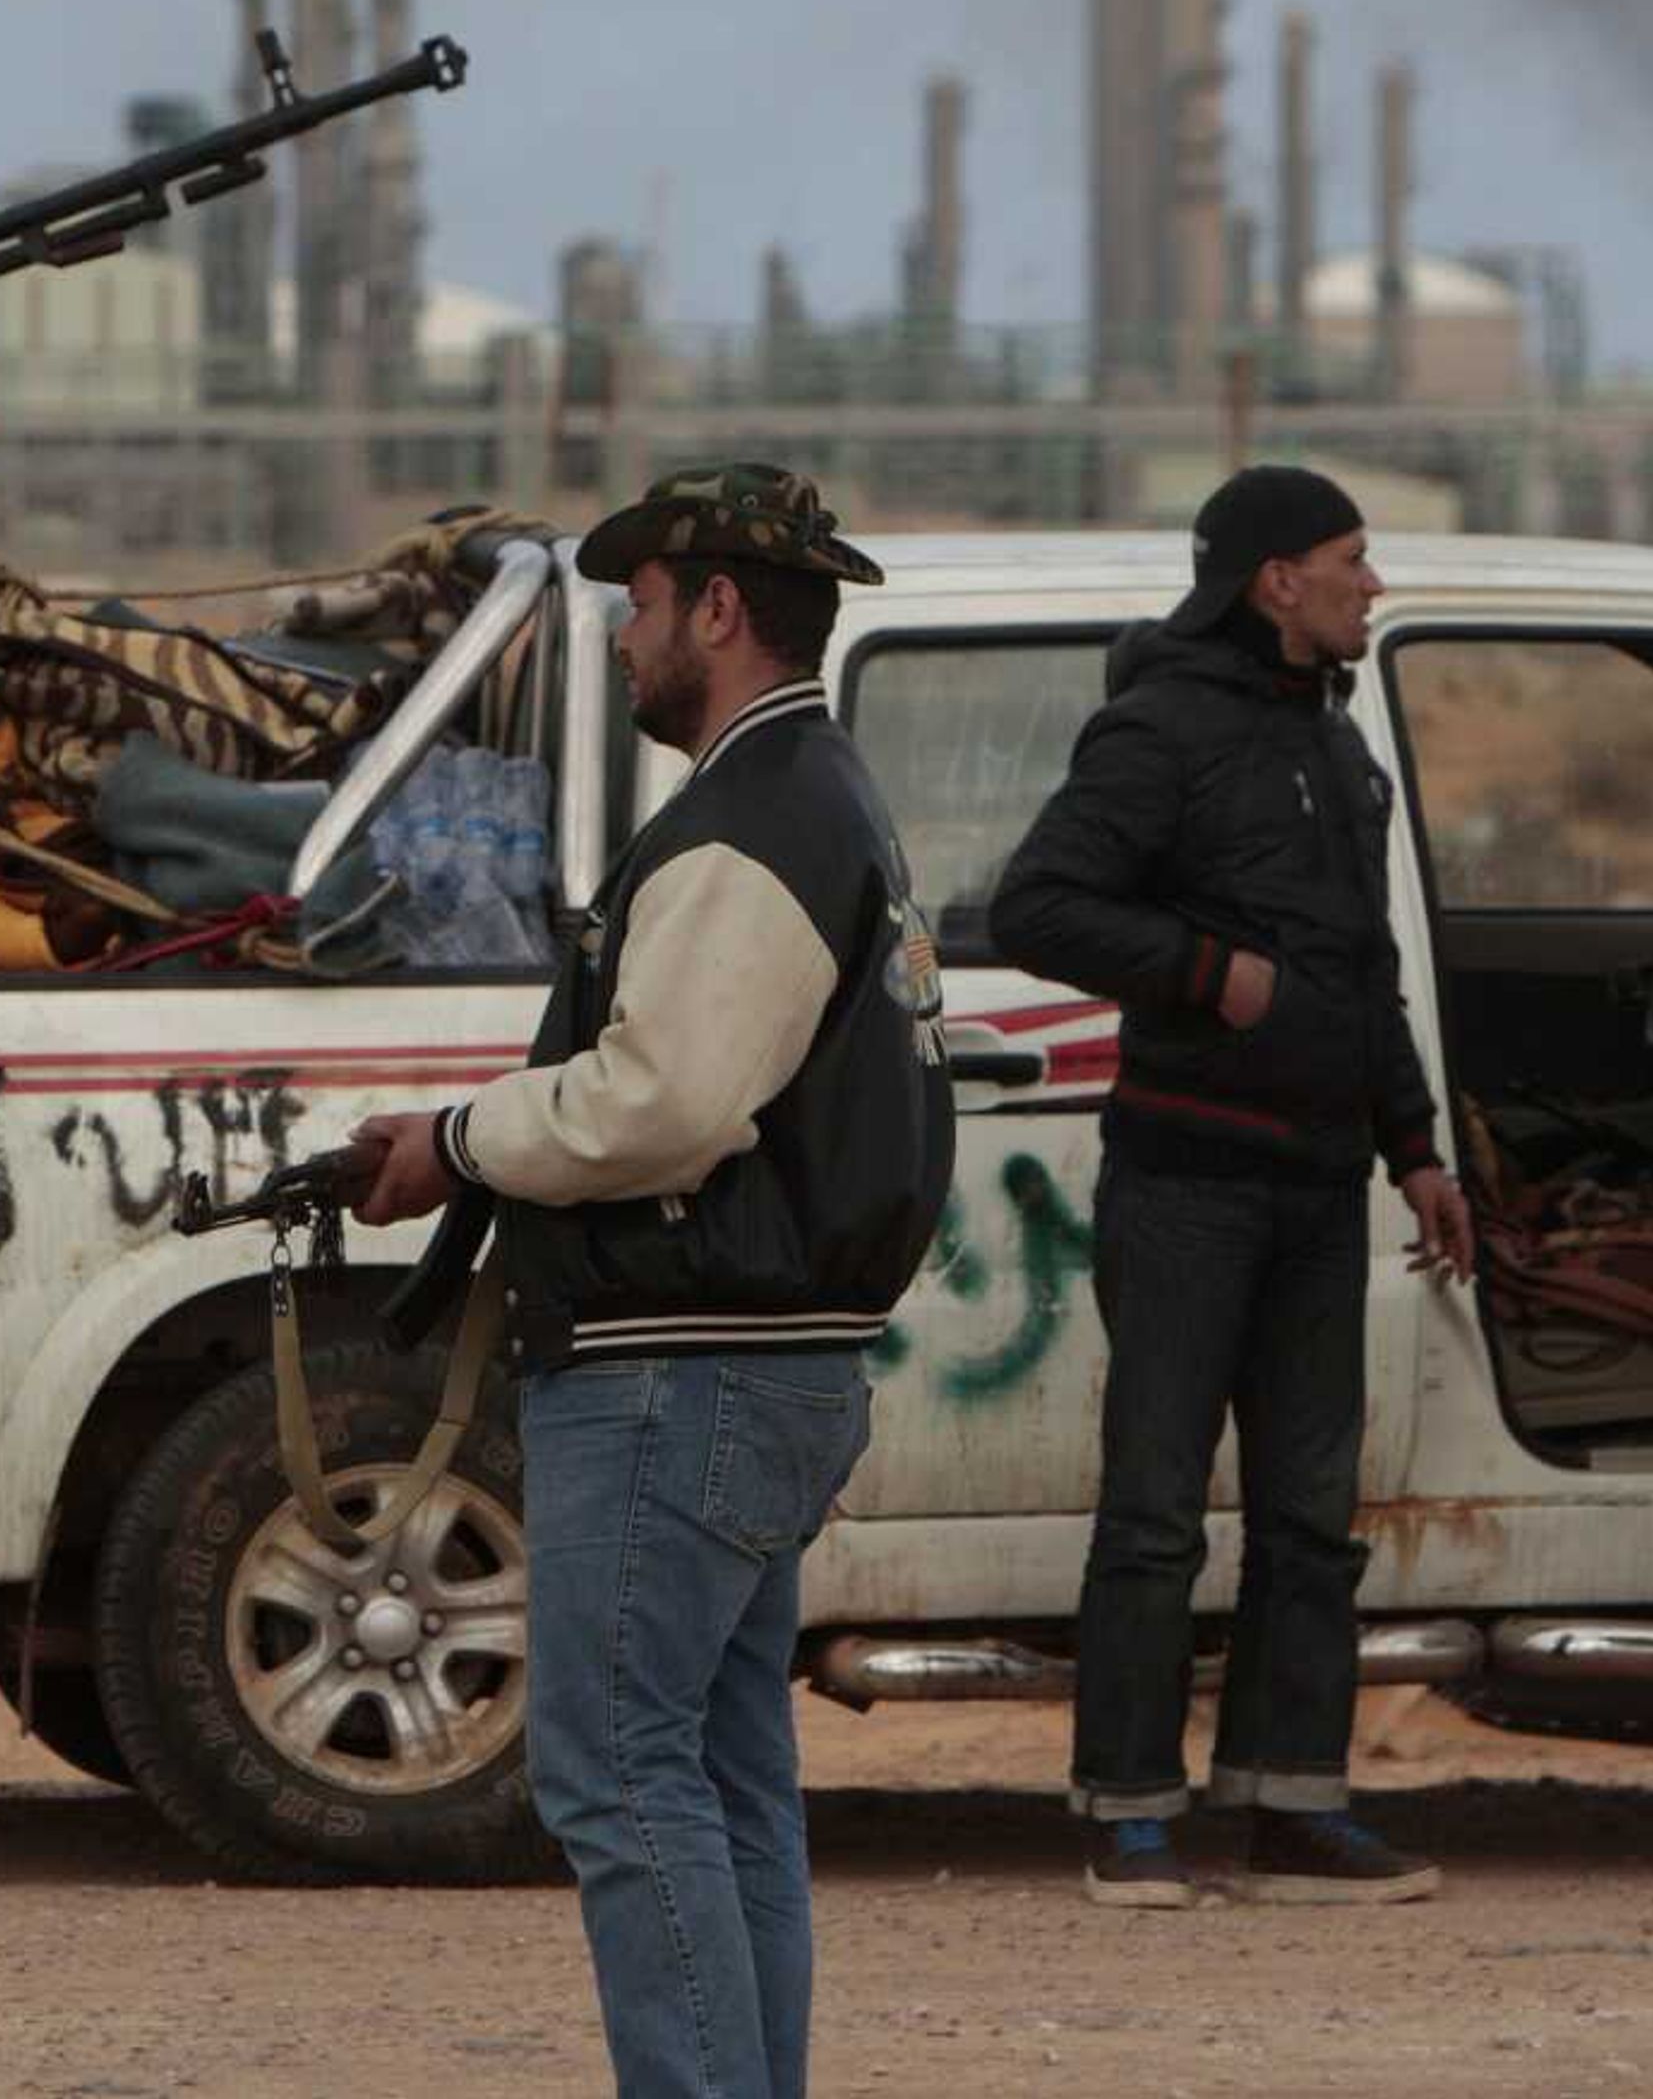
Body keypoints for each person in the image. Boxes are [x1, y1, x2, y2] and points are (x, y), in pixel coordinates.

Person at [347, 463, 952, 2099]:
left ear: (721, 608)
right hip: (761, 1365)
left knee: (618, 1777)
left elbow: (669, 1102)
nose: (622, 640)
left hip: (681, 1371)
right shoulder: (829, 799)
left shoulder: (756, 819)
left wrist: (459, 1138)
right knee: (725, 1779)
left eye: (641, 604)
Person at [992, 464, 1470, 1909]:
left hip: (1324, 1190)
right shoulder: (1163, 727)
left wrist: (1418, 1147)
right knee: (1154, 1511)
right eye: (1351, 558)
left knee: (1313, 1516)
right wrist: (1210, 971)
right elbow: (1041, 902)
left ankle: (1292, 1807)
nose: (1370, 585)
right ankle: (1133, 1812)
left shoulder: (1335, 741)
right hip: (1188, 1182)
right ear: (1277, 579)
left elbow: (1363, 973)